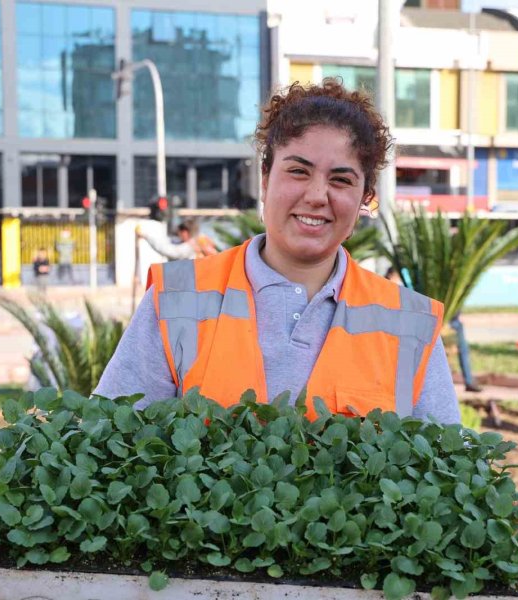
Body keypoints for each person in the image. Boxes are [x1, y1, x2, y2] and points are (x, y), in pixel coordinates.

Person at [95, 80, 460, 424]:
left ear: (366, 197)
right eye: (299, 171)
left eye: (341, 179)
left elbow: (447, 473)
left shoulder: (411, 323)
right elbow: (108, 443)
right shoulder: (175, 300)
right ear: (266, 179)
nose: (318, 195)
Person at [384, 268, 481, 392]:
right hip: (429, 321)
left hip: (445, 319)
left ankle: (467, 381)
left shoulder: (431, 276)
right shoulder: (412, 273)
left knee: (462, 350)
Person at [137, 218, 219, 260]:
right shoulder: (203, 239)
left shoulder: (193, 245)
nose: (179, 236)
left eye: (179, 234)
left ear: (184, 232)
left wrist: (146, 237)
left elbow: (170, 251)